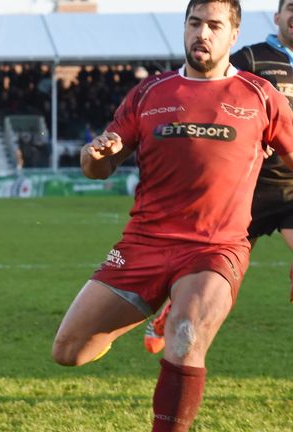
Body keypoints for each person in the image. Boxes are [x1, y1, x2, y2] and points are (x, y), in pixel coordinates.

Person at [51, 1, 293, 431]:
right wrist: (94, 155)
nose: (203, 33)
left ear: (233, 35)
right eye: (195, 23)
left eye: (214, 25)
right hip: (143, 244)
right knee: (69, 351)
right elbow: (99, 167)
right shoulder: (150, 93)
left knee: (184, 333)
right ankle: (155, 301)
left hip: (215, 248)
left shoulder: (261, 96)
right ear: (184, 28)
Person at [143, 0, 293, 355]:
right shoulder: (253, 58)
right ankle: (169, 313)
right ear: (278, 17)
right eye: (290, 9)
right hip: (245, 191)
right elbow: (215, 92)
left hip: (289, 188)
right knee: (220, 280)